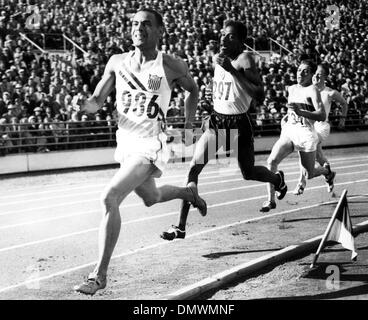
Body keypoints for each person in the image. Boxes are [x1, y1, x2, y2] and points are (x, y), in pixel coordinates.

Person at [73, 8, 206, 295]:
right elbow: (97, 101)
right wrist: (83, 106)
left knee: (110, 197)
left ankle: (99, 275)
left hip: (150, 145)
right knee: (151, 197)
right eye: (135, 23)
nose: (139, 28)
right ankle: (187, 193)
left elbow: (193, 90)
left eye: (146, 24)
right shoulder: (117, 62)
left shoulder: (171, 65)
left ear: (160, 31)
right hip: (126, 143)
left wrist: (189, 123)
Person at [160, 20, 287, 241]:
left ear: (240, 41)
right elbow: (224, 88)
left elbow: (259, 95)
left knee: (248, 173)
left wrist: (233, 71)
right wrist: (213, 101)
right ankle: (180, 227)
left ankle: (277, 180)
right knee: (193, 169)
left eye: (230, 36)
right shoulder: (217, 58)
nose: (223, 39)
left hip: (239, 125)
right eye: (222, 35)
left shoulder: (244, 59)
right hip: (218, 122)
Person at [260, 60, 336, 212]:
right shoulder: (292, 88)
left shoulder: (312, 90)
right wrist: (288, 117)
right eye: (299, 69)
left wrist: (301, 112)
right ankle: (271, 200)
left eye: (305, 71)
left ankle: (327, 171)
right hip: (290, 131)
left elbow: (321, 115)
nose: (300, 73)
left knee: (310, 174)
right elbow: (292, 110)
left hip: (306, 135)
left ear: (311, 75)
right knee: (271, 161)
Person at [293, 63, 348, 195]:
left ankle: (301, 183)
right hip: (308, 126)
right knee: (319, 156)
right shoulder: (307, 90)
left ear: (325, 77)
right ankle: (329, 174)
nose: (316, 77)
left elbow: (344, 103)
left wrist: (342, 119)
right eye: (315, 74)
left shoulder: (330, 92)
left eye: (320, 75)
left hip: (321, 126)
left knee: (306, 147)